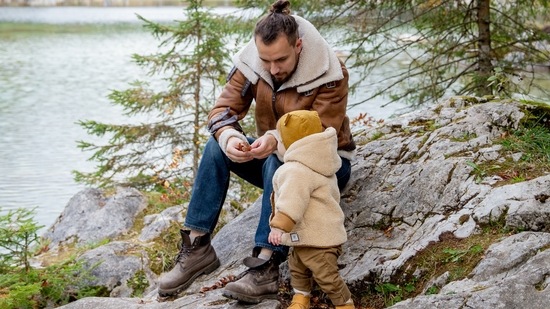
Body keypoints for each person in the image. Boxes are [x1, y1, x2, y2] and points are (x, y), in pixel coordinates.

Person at [157, 0, 356, 303]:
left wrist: (276, 139)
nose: (272, 69)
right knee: (216, 146)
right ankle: (197, 248)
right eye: (266, 61)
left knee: (280, 160)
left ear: (298, 45)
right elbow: (222, 110)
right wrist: (229, 136)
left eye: (280, 60)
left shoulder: (330, 72)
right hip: (277, 159)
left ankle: (265, 264)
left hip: (327, 165)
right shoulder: (253, 63)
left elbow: (322, 131)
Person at [268, 110, 354, 309]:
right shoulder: (320, 161)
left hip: (318, 241)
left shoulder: (296, 170)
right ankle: (301, 298)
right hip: (311, 235)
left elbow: (291, 202)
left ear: (291, 142)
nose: (277, 142)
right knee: (297, 269)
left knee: (327, 276)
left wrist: (279, 227)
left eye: (279, 138)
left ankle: (344, 304)